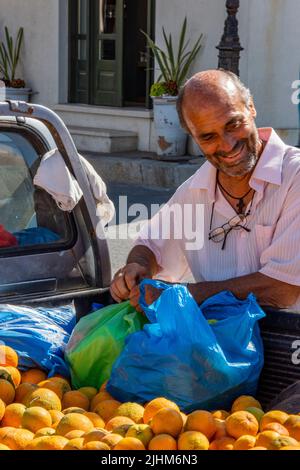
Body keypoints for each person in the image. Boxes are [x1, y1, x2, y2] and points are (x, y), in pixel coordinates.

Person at [110, 69, 300, 312]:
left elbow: (283, 288)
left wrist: (180, 296)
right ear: (193, 137)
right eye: (208, 137)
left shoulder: (295, 177)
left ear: (251, 108)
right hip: (222, 345)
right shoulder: (194, 190)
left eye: (233, 124)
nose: (227, 144)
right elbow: (150, 246)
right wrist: (136, 268)